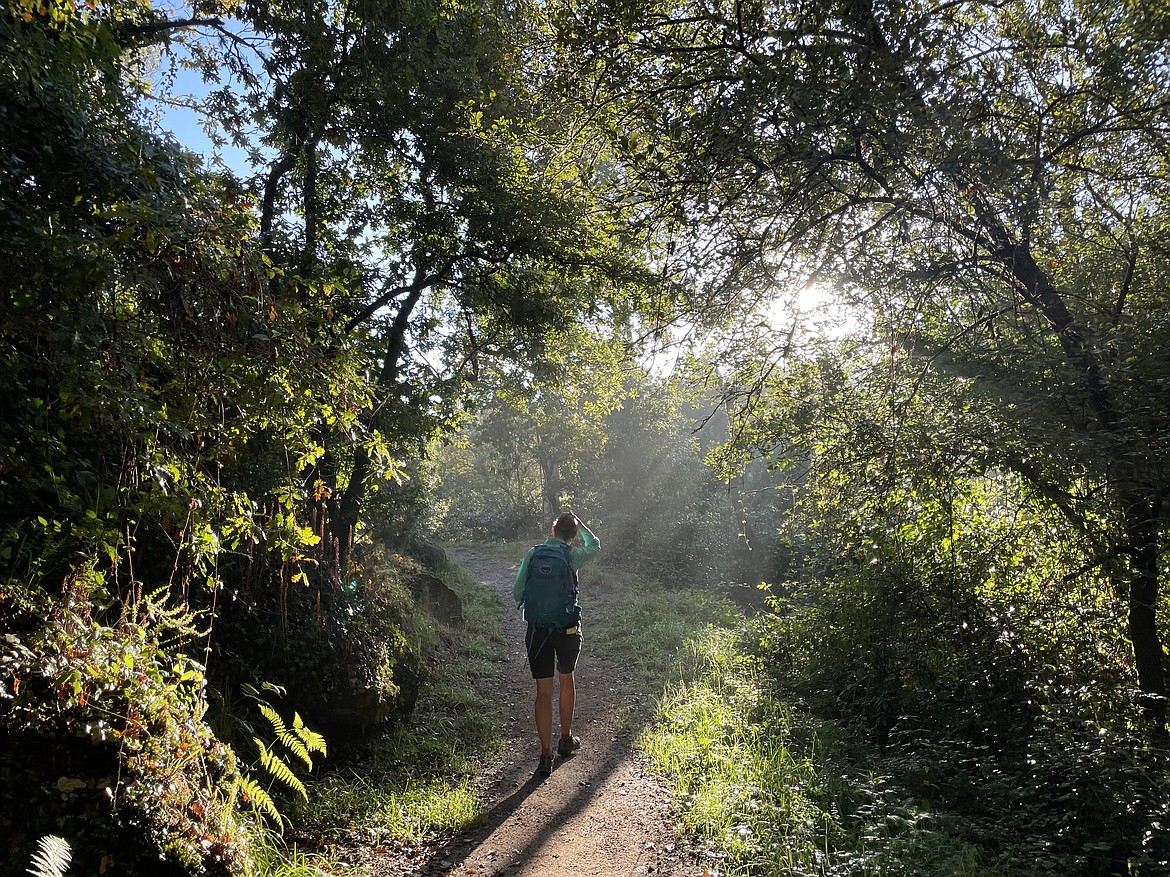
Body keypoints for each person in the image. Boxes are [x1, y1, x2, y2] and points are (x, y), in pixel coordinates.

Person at [513, 512, 601, 777]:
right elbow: (595, 545)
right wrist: (582, 525)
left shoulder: (533, 553)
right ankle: (565, 738)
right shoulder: (573, 556)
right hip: (567, 629)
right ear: (572, 535)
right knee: (566, 679)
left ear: (552, 530)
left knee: (543, 691)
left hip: (538, 630)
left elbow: (518, 591)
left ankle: (545, 754)